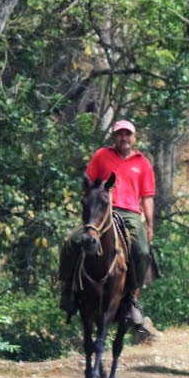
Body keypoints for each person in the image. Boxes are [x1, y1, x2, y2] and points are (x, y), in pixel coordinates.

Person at [59, 119, 155, 328]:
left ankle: (133, 300)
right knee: (72, 242)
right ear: (113, 137)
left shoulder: (143, 163)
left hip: (129, 212)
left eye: (127, 134)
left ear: (134, 137)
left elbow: (147, 197)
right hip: (102, 211)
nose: (124, 137)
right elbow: (88, 183)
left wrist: (149, 225)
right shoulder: (102, 155)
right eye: (120, 134)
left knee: (142, 251)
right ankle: (68, 290)